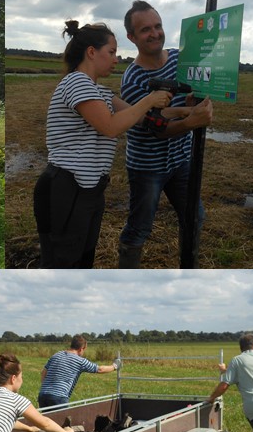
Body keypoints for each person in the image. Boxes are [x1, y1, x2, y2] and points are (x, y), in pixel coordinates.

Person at [33, 20, 173, 268]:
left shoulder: (99, 91)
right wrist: (150, 99)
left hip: (88, 190)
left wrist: (185, 112)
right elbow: (110, 126)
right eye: (111, 52)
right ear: (91, 52)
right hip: (66, 188)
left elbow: (138, 117)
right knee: (61, 265)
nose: (116, 59)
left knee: (82, 262)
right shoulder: (77, 82)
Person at [117, 0, 214, 268]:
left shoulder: (177, 59)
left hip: (181, 160)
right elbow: (158, 130)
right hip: (148, 166)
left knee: (195, 217)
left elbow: (188, 100)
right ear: (132, 37)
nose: (155, 33)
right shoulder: (133, 80)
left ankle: (188, 268)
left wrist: (193, 106)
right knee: (139, 228)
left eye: (158, 26)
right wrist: (191, 121)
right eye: (145, 29)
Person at [37, 334, 118, 408]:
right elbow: (100, 369)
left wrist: (47, 389)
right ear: (81, 348)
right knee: (61, 423)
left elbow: (43, 373)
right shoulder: (80, 361)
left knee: (46, 423)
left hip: (42, 395)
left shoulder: (57, 355)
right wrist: (115, 366)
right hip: (59, 397)